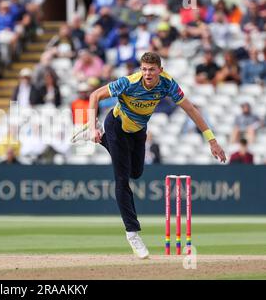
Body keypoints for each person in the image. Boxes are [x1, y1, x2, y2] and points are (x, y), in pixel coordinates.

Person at [72, 52, 226, 259]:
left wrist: (212, 140)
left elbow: (190, 109)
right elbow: (94, 96)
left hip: (138, 130)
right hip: (116, 126)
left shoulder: (167, 83)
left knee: (136, 172)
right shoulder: (130, 82)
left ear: (160, 70)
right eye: (144, 69)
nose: (147, 73)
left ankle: (100, 138)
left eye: (152, 70)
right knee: (122, 178)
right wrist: (92, 127)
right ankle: (132, 233)